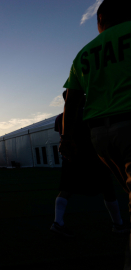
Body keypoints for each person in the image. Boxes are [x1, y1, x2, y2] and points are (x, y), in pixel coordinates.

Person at [59, 0, 131, 266]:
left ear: (100, 18)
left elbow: (71, 101)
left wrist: (66, 138)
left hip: (99, 136)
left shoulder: (83, 54)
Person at [51, 91, 127, 237]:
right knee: (108, 189)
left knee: (66, 189)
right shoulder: (89, 114)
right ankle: (118, 223)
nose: (85, 97)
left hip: (71, 159)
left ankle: (57, 222)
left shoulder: (59, 118)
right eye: (83, 96)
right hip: (92, 157)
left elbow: (61, 136)